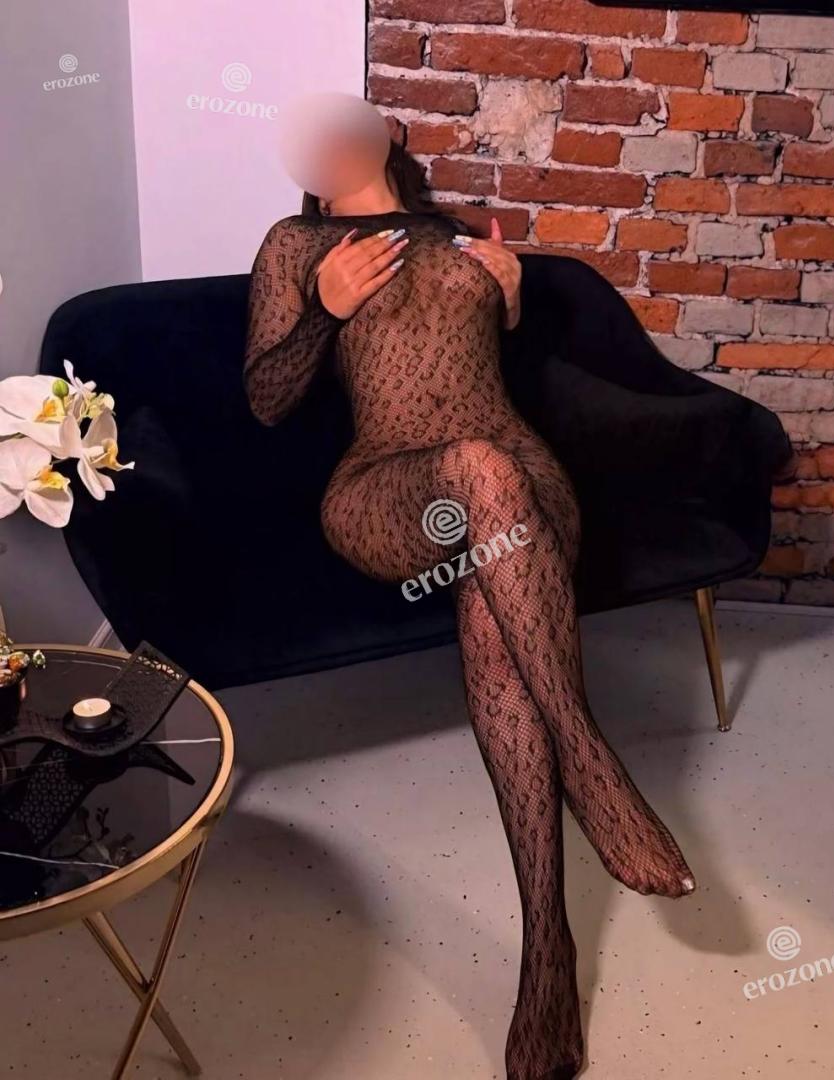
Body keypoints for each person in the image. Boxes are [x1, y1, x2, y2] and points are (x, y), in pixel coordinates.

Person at [243, 96, 695, 1080]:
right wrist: (322, 310)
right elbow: (267, 401)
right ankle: (589, 758)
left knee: (496, 612)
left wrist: (513, 300)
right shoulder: (296, 243)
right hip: (388, 490)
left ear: (388, 138)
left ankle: (547, 957)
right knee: (479, 473)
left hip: (519, 485)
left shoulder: (454, 237)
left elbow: (500, 374)